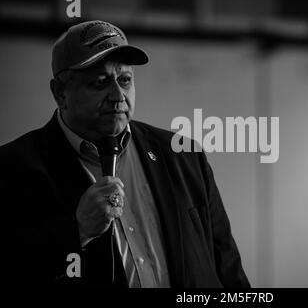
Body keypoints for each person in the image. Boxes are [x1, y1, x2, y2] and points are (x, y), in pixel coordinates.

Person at [0, 20, 250, 288]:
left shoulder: (182, 155)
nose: (118, 95)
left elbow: (228, 266)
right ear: (60, 93)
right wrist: (77, 231)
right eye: (100, 82)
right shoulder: (12, 169)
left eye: (125, 79)